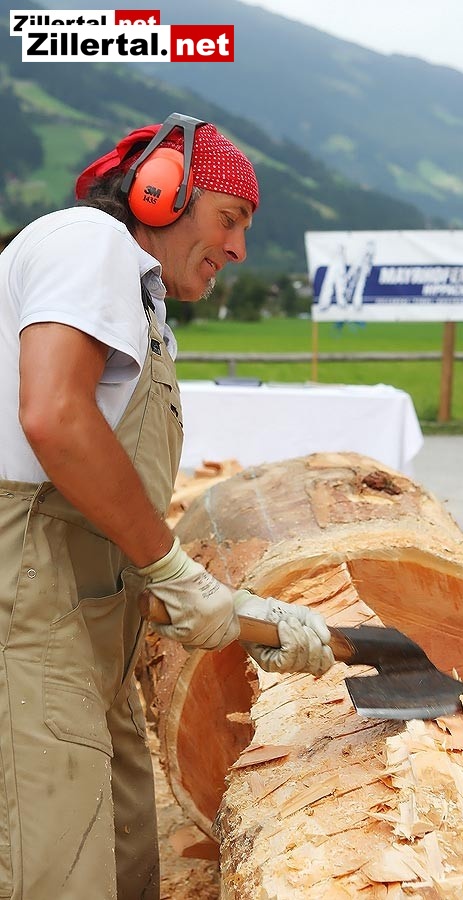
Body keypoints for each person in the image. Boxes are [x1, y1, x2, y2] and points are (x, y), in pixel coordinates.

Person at [0, 113, 334, 900]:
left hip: (89, 619)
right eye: (230, 218)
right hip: (32, 608)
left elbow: (104, 510)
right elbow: (54, 416)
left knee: (121, 860)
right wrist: (175, 571)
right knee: (55, 867)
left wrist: (240, 610)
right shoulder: (88, 244)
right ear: (160, 192)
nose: (239, 248)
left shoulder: (141, 304)